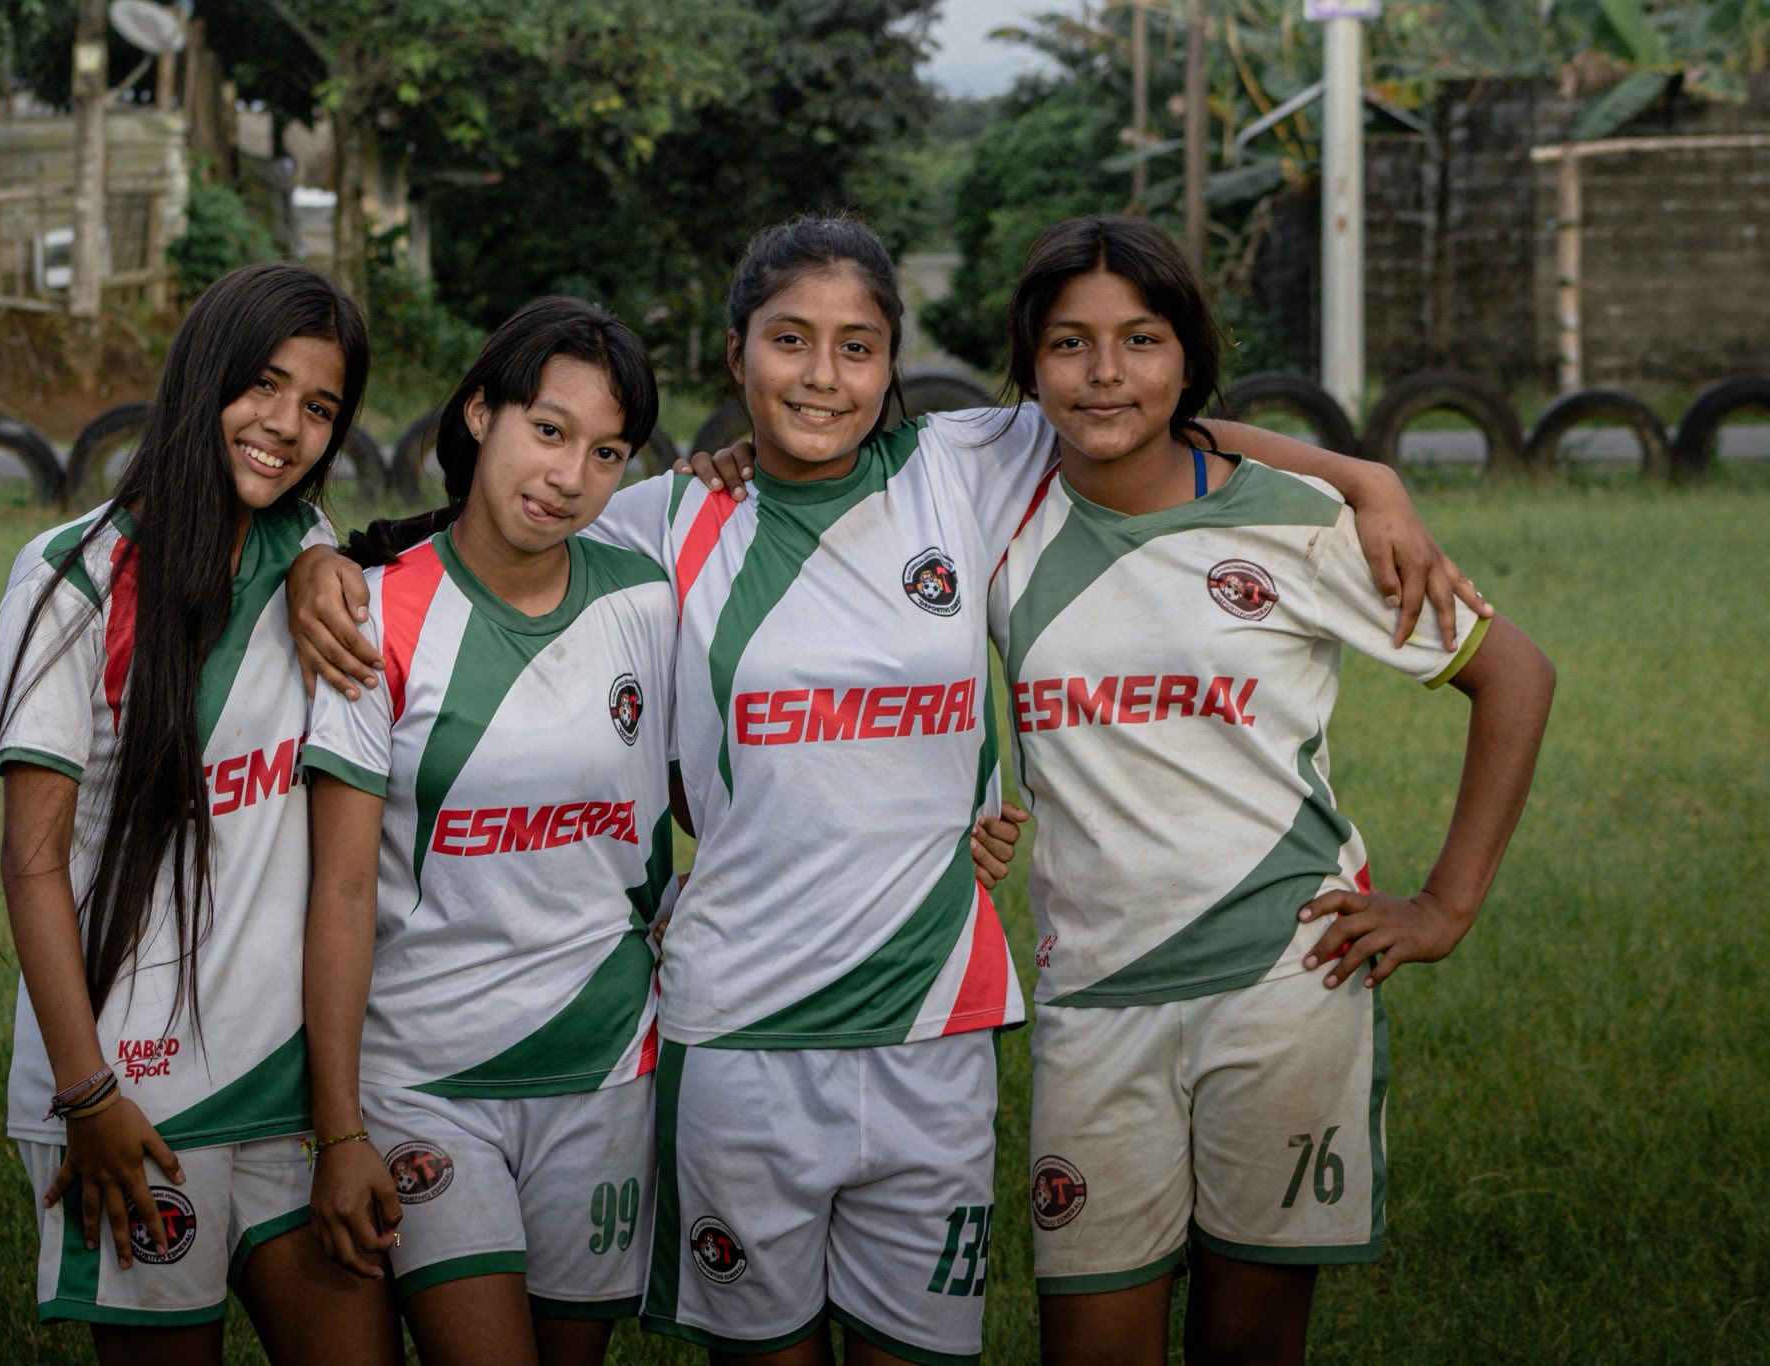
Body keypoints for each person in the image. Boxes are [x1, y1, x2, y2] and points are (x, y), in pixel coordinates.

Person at [290, 216, 1481, 1366]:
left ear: (892, 363)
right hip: (737, 1031)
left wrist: (1357, 472)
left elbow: (1131, 409)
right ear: (735, 352)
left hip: (933, 1026)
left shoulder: (962, 465)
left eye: (856, 347)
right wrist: (325, 559)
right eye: (788, 340)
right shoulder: (666, 516)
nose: (822, 375)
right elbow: (500, 534)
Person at [984, 215, 1553, 1366]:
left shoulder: (1295, 522)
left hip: (1284, 985)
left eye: (1141, 339)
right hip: (1094, 993)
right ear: (1029, 365)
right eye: (1067, 342)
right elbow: (833, 444)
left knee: (1247, 1341)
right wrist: (722, 459)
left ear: (1188, 355)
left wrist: (1443, 905)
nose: (1103, 372)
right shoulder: (992, 507)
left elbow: (1514, 674)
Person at [0, 262, 400, 1364]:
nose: (286, 425)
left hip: (290, 1088)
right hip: (133, 1094)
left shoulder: (312, 566)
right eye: (263, 384)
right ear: (200, 376)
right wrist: (88, 1096)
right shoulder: (73, 576)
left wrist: (319, 552)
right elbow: (30, 864)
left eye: (321, 406)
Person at [298, 297, 680, 1366]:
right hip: (425, 1079)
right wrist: (339, 1128)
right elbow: (339, 894)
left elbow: (731, 793)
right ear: (479, 413)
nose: (569, 476)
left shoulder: (649, 603)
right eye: (548, 431)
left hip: (606, 1070)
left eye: (606, 453)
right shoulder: (374, 614)